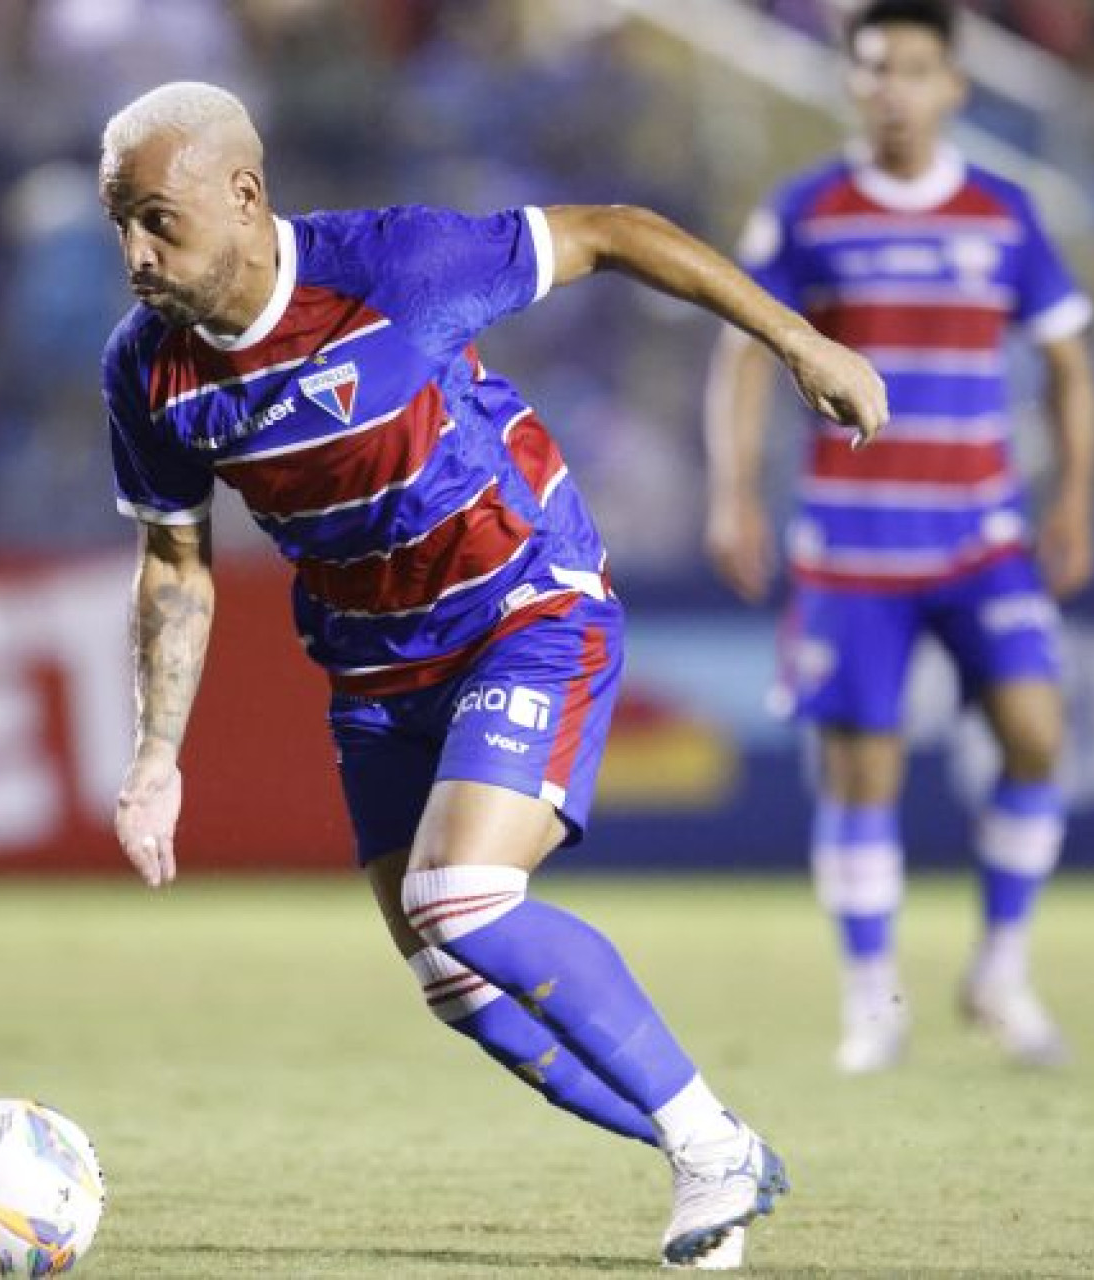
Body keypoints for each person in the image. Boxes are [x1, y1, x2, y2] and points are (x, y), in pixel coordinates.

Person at [96, 82, 886, 1268]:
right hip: (371, 670)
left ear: (244, 195)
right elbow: (175, 563)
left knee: (457, 895)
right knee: (452, 982)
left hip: (526, 608)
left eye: (156, 218)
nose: (134, 254)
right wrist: (157, 754)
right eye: (119, 224)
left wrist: (798, 338)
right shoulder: (144, 371)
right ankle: (725, 1148)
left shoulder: (396, 265)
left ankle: (707, 1146)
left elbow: (614, 231)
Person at [704, 0, 1094, 1074]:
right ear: (850, 81)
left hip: (983, 536)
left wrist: (1073, 501)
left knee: (1038, 738)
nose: (894, 89)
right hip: (852, 551)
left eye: (915, 69)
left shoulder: (1005, 212)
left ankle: (1001, 969)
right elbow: (745, 354)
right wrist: (732, 490)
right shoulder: (808, 211)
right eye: (875, 68)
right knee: (862, 777)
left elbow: (1068, 361)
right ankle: (871, 1000)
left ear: (954, 86)